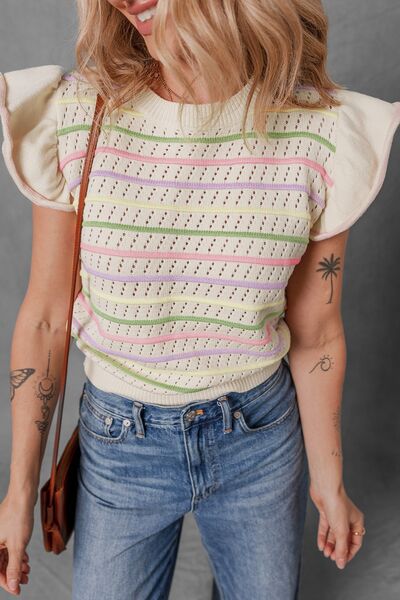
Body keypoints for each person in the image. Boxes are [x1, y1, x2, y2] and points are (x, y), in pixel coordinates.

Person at [0, 0, 399, 598]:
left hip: (259, 443)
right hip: (120, 446)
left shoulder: (317, 131)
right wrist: (17, 493)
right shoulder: (80, 113)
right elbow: (46, 318)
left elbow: (317, 334)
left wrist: (329, 482)